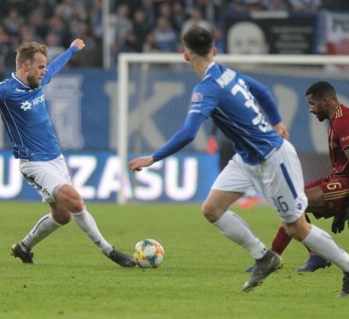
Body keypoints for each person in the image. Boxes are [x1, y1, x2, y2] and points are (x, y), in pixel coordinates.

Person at [128, 26, 349, 297]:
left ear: (186, 56)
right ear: (214, 51)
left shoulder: (206, 89)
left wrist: (153, 158)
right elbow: (263, 91)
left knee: (297, 228)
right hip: (246, 158)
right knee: (212, 209)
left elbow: (188, 132)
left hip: (271, 158)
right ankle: (263, 256)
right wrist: (276, 121)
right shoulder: (227, 72)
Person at [0, 39, 135, 268]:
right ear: (25, 67)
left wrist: (72, 49)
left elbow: (57, 66)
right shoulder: (7, 90)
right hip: (34, 163)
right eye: (41, 67)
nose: (45, 71)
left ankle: (23, 247)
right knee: (75, 201)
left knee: (62, 216)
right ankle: (109, 251)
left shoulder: (40, 80)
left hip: (56, 159)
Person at [254, 81, 349, 273]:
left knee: (296, 202)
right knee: (294, 197)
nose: (311, 110)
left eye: (312, 104)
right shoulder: (336, 120)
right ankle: (314, 255)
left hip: (345, 183)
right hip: (337, 178)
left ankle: (274, 258)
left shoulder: (344, 121)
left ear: (324, 101)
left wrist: (344, 207)